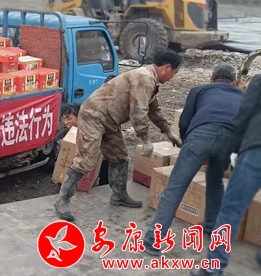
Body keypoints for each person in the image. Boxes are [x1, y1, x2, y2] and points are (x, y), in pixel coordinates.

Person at [54, 50, 183, 221]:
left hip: (109, 119)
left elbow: (154, 110)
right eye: (175, 72)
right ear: (167, 67)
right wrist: (145, 140)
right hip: (94, 115)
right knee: (86, 160)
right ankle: (62, 200)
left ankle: (119, 195)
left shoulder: (149, 80)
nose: (173, 77)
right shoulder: (145, 78)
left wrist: (169, 132)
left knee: (119, 156)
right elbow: (138, 112)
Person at [189, 68, 261, 276]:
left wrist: (235, 152)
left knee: (231, 209)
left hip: (258, 149)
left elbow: (243, 117)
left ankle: (213, 268)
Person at [143, 64, 244, 255]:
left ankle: (153, 241)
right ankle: (211, 227)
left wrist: (191, 146)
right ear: (234, 82)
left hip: (201, 135)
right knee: (215, 181)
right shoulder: (242, 96)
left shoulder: (200, 90)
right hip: (230, 139)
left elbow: (185, 121)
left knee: (175, 187)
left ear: (212, 80)